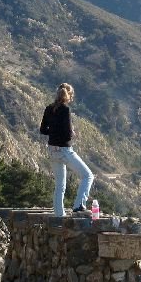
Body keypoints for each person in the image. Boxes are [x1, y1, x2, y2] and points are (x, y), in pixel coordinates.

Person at [40, 83, 94, 216]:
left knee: (59, 186)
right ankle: (79, 205)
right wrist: (73, 133)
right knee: (87, 176)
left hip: (52, 150)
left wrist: (53, 132)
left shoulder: (49, 109)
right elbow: (68, 134)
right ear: (68, 95)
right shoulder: (65, 110)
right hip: (65, 150)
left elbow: (43, 130)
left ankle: (59, 216)